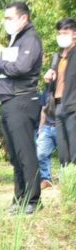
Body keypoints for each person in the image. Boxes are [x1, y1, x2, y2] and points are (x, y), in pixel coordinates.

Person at [0, 1, 44, 214]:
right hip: (9, 101)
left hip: (22, 101)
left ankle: (33, 199)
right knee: (15, 154)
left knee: (25, 152)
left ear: (23, 18)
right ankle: (20, 198)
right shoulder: (16, 40)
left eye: (9, 18)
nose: (6, 22)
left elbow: (21, 67)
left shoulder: (31, 39)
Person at [47, 17, 76, 167]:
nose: (61, 36)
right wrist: (49, 77)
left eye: (65, 32)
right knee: (63, 151)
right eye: (59, 33)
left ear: (74, 34)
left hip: (73, 106)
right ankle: (68, 183)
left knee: (74, 148)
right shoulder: (57, 57)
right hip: (58, 105)